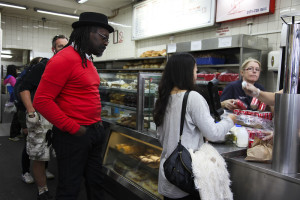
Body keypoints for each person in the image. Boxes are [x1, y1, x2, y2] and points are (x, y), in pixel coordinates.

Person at [33, 12, 114, 200]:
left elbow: (87, 95)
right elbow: (42, 101)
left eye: (108, 39)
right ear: (87, 33)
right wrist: (73, 128)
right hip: (73, 135)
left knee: (95, 182)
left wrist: (97, 124)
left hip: (94, 132)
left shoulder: (87, 59)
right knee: (70, 188)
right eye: (103, 37)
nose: (106, 42)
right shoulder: (64, 58)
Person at [153, 53, 236, 200]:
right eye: (195, 70)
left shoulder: (162, 98)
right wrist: (230, 120)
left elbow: (160, 135)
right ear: (186, 72)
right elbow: (214, 133)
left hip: (168, 174)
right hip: (186, 175)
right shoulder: (193, 97)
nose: (196, 75)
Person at [19, 35, 68, 199]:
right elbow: (24, 88)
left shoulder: (68, 67)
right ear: (54, 49)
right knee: (39, 154)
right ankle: (42, 190)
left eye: (66, 46)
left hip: (60, 117)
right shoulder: (43, 66)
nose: (64, 49)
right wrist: (31, 112)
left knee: (58, 152)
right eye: (60, 46)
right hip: (40, 116)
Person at [4, 65, 21, 141]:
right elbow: (16, 87)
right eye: (16, 69)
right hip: (15, 98)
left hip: (12, 98)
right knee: (16, 118)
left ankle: (16, 133)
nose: (17, 71)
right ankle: (13, 135)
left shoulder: (7, 77)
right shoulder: (11, 77)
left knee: (17, 117)